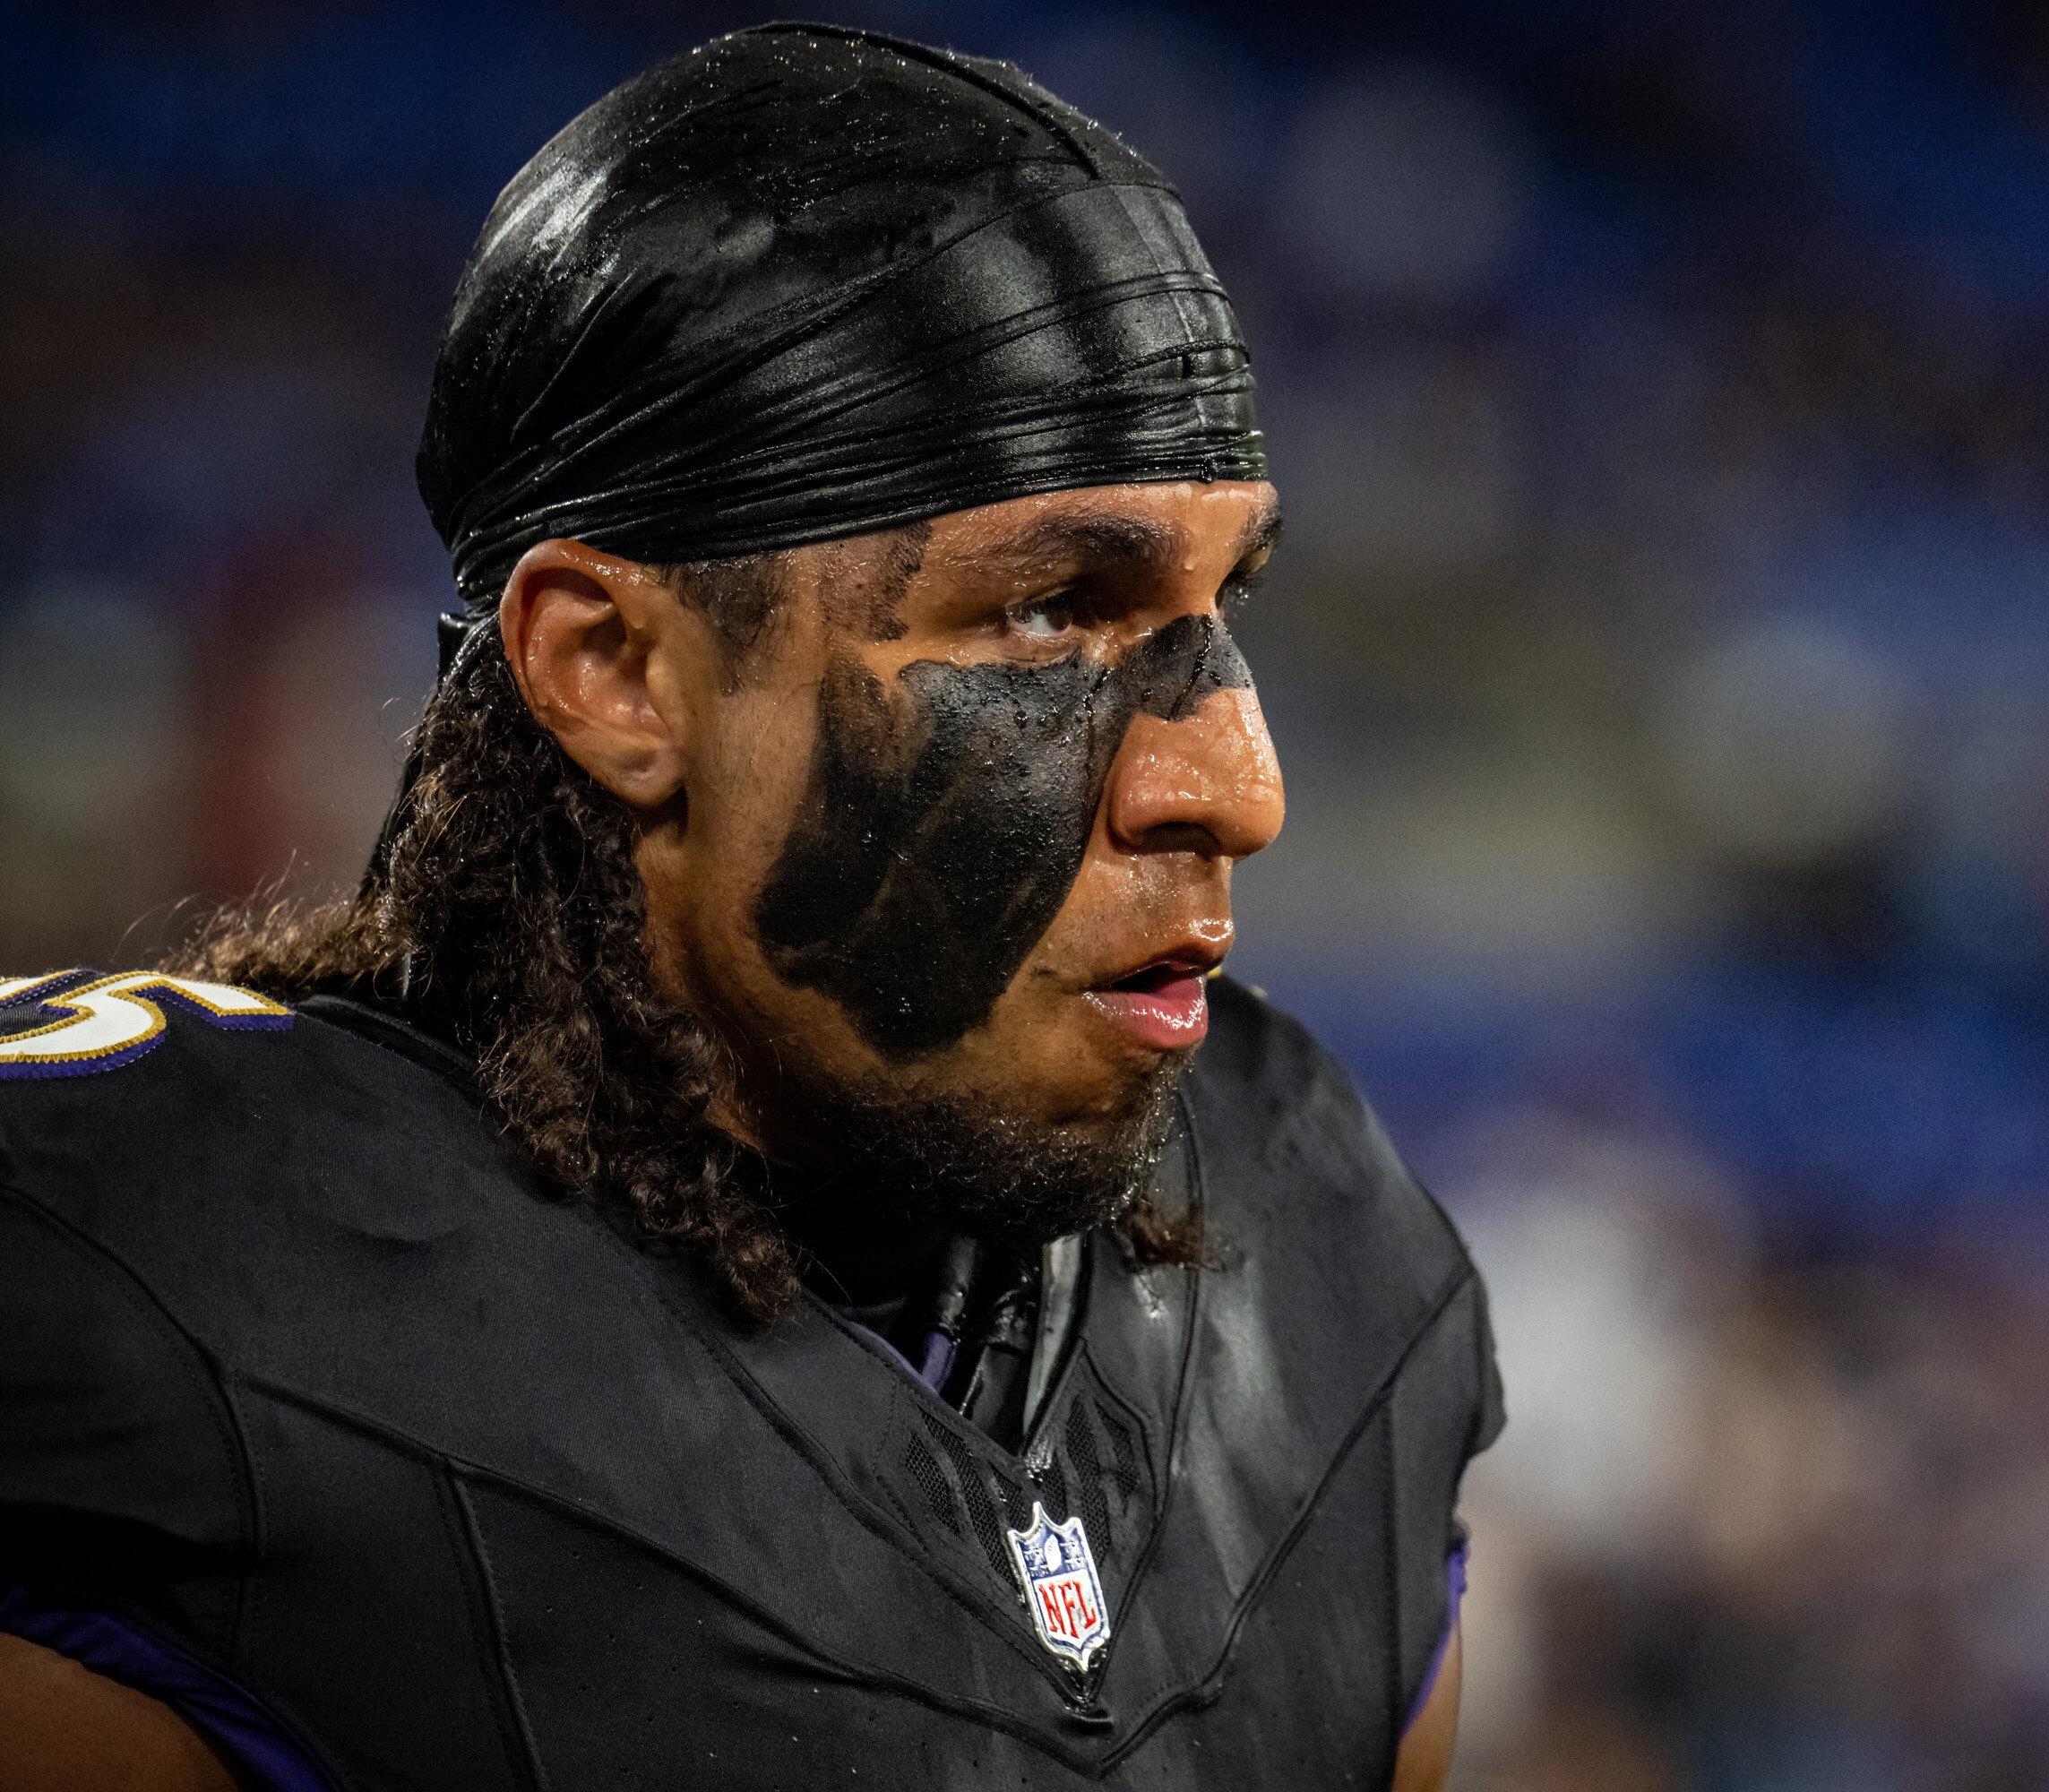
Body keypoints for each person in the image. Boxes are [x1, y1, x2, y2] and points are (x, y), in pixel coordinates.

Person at [0, 26, 1499, 1790]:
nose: (1234, 783)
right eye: (1043, 613)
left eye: (1213, 602)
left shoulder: (1313, 1234)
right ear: (617, 666)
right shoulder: (162, 1292)